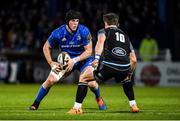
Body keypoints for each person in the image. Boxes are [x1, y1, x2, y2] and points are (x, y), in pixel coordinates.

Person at [29, 10, 107, 111]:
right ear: (67, 21)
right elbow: (46, 47)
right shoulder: (58, 33)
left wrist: (74, 60)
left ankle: (98, 98)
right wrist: (51, 62)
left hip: (84, 60)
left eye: (77, 21)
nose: (75, 23)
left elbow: (88, 51)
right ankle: (35, 104)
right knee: (51, 80)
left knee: (91, 83)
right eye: (73, 21)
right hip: (66, 61)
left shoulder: (84, 31)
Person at [67, 12, 139, 114]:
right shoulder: (126, 36)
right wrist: (130, 73)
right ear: (117, 24)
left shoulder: (104, 31)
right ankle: (133, 105)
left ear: (105, 22)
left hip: (109, 66)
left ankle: (77, 108)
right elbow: (134, 59)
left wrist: (96, 58)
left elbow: (100, 43)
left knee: (84, 77)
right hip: (124, 67)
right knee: (126, 79)